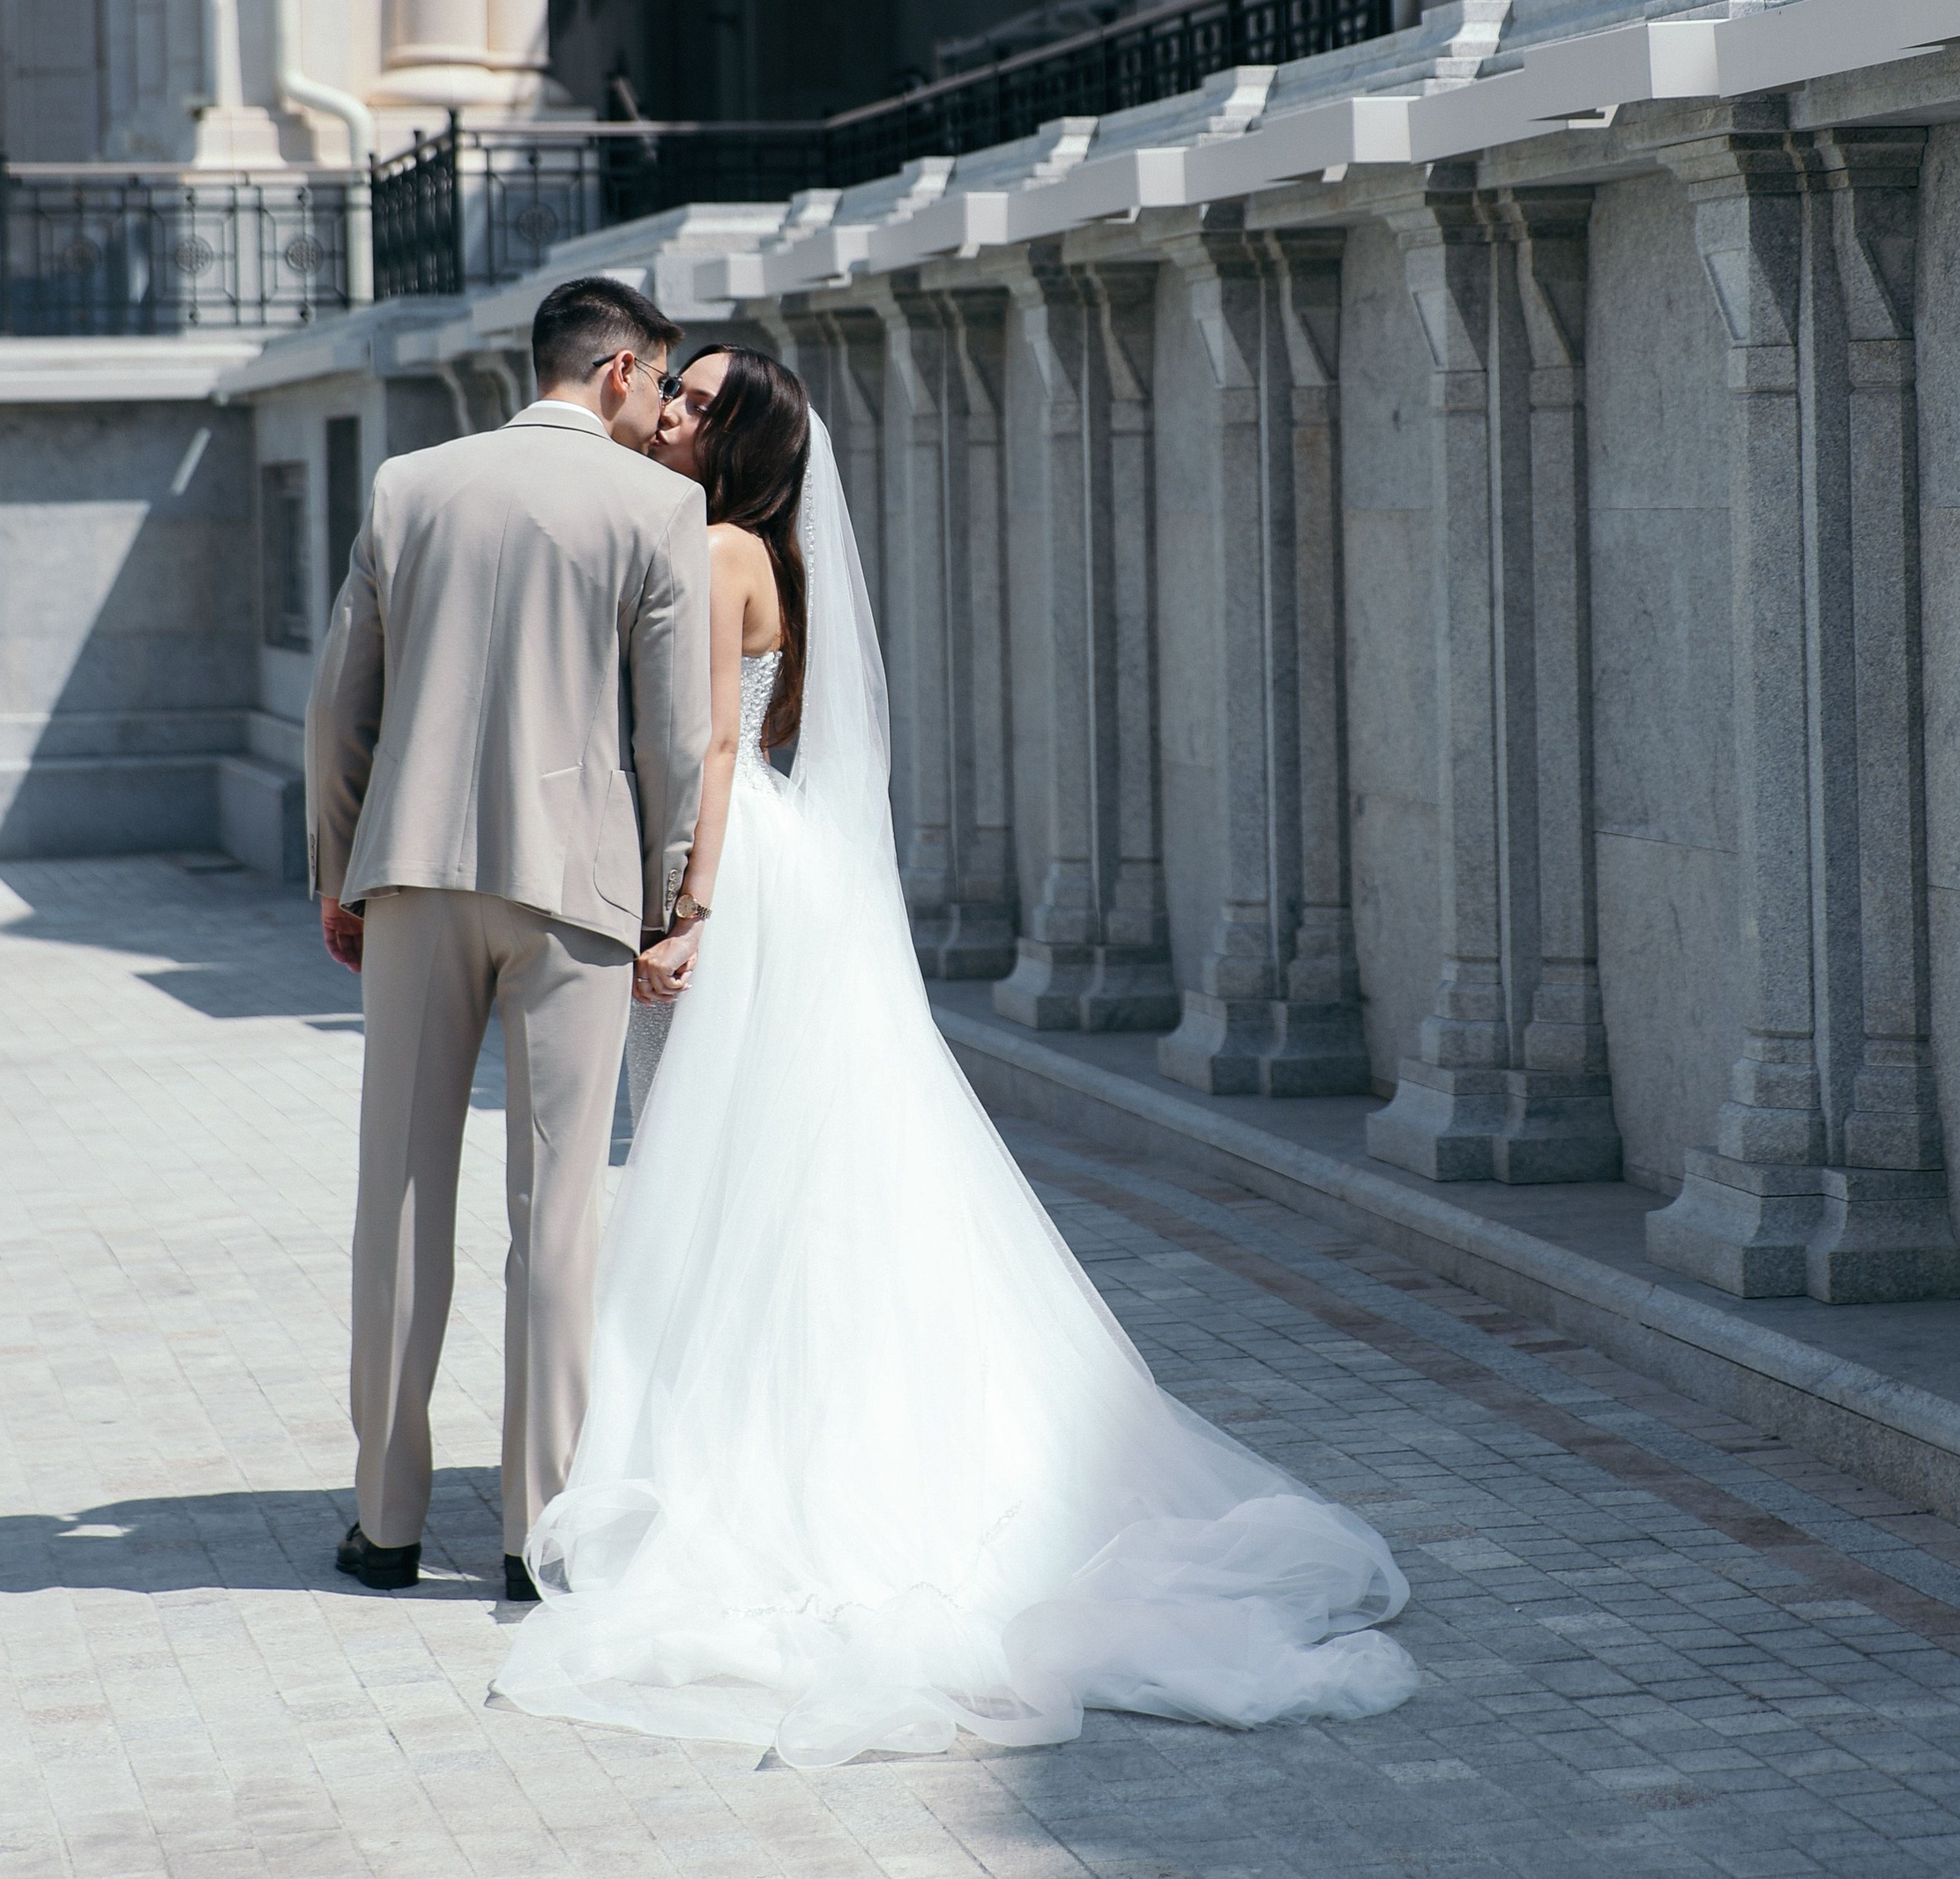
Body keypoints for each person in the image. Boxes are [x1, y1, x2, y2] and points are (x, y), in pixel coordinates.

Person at [495, 344, 1417, 1765]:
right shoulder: (746, 540)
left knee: (724, 1172)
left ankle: (753, 1463)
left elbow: (716, 752)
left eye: (692, 399)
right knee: (759, 1178)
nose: (666, 405)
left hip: (732, 887)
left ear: (735, 438)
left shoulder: (723, 546)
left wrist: (685, 913)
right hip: (770, 878)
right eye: (668, 386)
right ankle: (755, 1432)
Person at [304, 275, 713, 1605]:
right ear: (615, 372)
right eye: (659, 382)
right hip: (577, 890)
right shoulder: (658, 505)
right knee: (559, 1215)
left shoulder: (409, 486)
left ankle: (385, 1521)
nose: (664, 410)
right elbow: (669, 734)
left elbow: (336, 710)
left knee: (399, 1200)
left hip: (415, 875)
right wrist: (669, 898)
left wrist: (340, 870)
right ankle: (540, 1536)